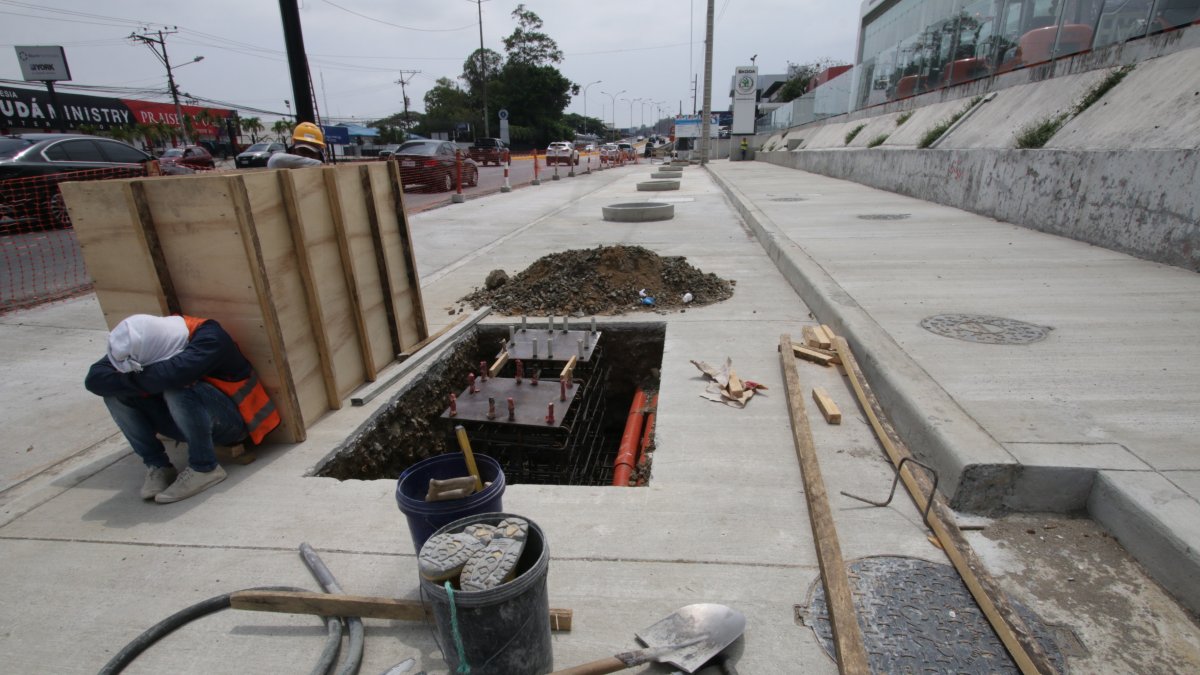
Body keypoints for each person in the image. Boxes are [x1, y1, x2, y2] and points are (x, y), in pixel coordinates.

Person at [85, 314, 281, 503]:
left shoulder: (210, 338)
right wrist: (135, 377)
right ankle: (158, 465)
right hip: (184, 420)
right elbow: (94, 379)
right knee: (114, 395)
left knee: (178, 389)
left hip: (234, 424)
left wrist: (128, 378)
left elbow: (171, 375)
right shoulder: (148, 341)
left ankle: (205, 468)